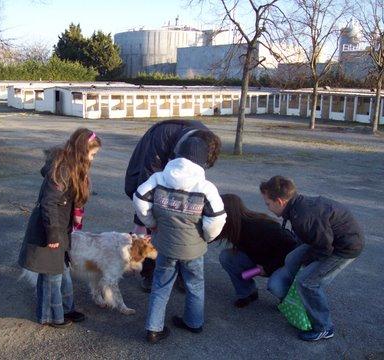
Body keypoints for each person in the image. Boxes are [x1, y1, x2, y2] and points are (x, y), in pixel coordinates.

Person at [133, 136, 226, 344]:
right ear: (201, 161)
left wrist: (152, 222)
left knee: (161, 284)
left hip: (165, 245)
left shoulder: (158, 179)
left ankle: (153, 329)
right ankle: (194, 323)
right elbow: (217, 219)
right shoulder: (205, 188)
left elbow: (139, 199)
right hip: (193, 249)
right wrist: (206, 237)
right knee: (195, 284)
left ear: (177, 156)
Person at [259, 175, 364, 342]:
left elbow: (325, 248)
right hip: (327, 241)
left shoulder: (303, 217)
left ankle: (324, 327)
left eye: (268, 204)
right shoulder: (296, 207)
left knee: (307, 282)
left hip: (343, 249)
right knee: (292, 258)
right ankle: (291, 302)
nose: (268, 208)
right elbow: (315, 238)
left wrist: (308, 265)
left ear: (279, 201)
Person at [18, 128, 102, 328]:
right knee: (51, 276)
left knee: (63, 270)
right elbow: (48, 203)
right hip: (49, 231)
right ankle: (51, 316)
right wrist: (53, 234)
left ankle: (67, 307)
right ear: (82, 150)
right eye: (92, 154)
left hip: (61, 229)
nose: (93, 158)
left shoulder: (72, 168)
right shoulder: (63, 169)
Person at [125, 119, 221, 291]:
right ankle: (149, 272)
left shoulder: (206, 142)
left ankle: (182, 273)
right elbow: (147, 176)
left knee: (180, 221)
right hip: (149, 168)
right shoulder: (163, 135)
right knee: (152, 224)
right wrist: (143, 222)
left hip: (172, 167)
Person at [217, 194, 298, 308]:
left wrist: (267, 268)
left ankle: (291, 302)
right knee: (227, 257)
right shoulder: (233, 226)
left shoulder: (261, 226)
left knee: (274, 286)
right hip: (260, 263)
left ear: (228, 213)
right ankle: (248, 292)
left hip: (281, 264)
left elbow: (291, 248)